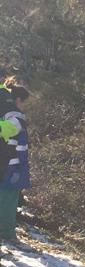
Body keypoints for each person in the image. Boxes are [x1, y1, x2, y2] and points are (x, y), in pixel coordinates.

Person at [0, 77, 30, 241]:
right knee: (8, 199)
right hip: (12, 167)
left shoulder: (5, 114)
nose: (26, 107)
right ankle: (7, 233)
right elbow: (8, 131)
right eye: (25, 102)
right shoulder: (15, 117)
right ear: (18, 100)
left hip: (6, 165)